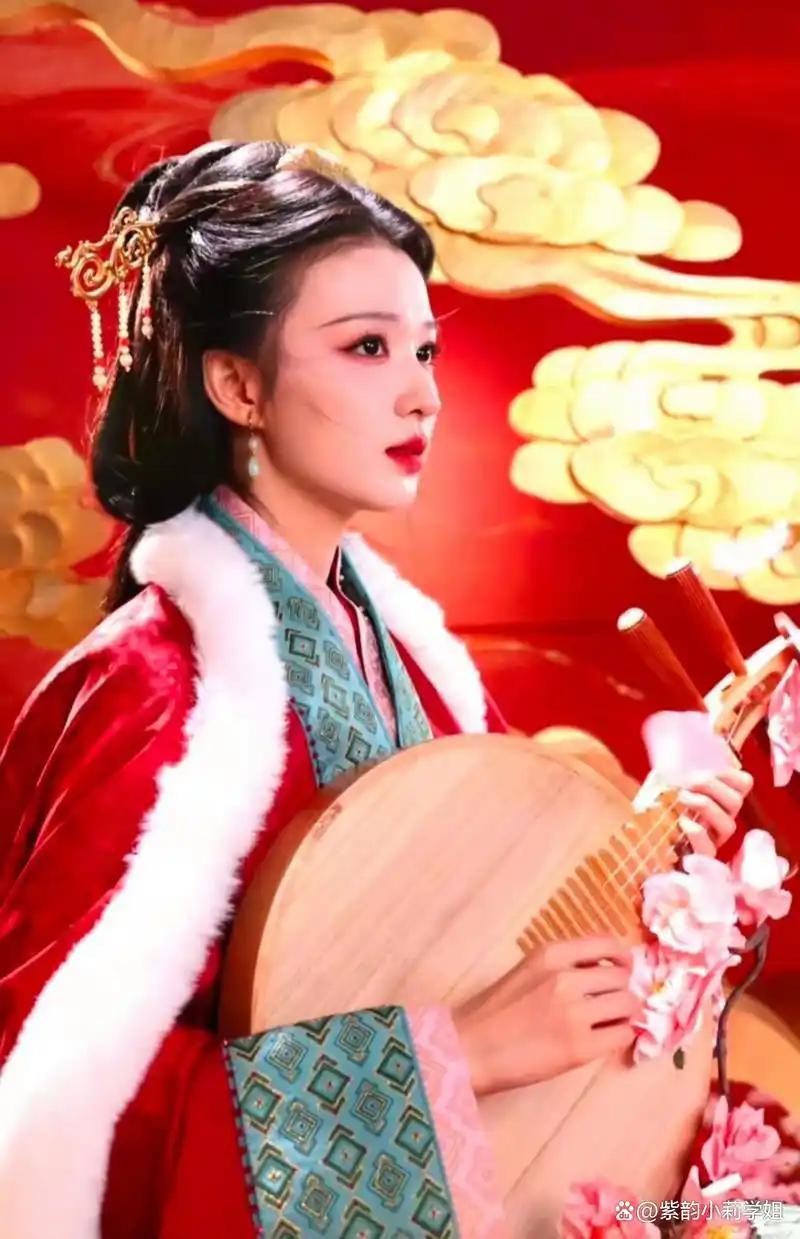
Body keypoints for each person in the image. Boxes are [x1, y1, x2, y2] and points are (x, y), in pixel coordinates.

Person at [0, 140, 752, 1238]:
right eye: (365, 347)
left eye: (425, 349)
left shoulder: (412, 667)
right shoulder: (156, 688)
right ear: (237, 385)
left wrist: (653, 859)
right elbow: (59, 1117)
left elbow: (504, 923)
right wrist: (455, 1054)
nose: (420, 394)